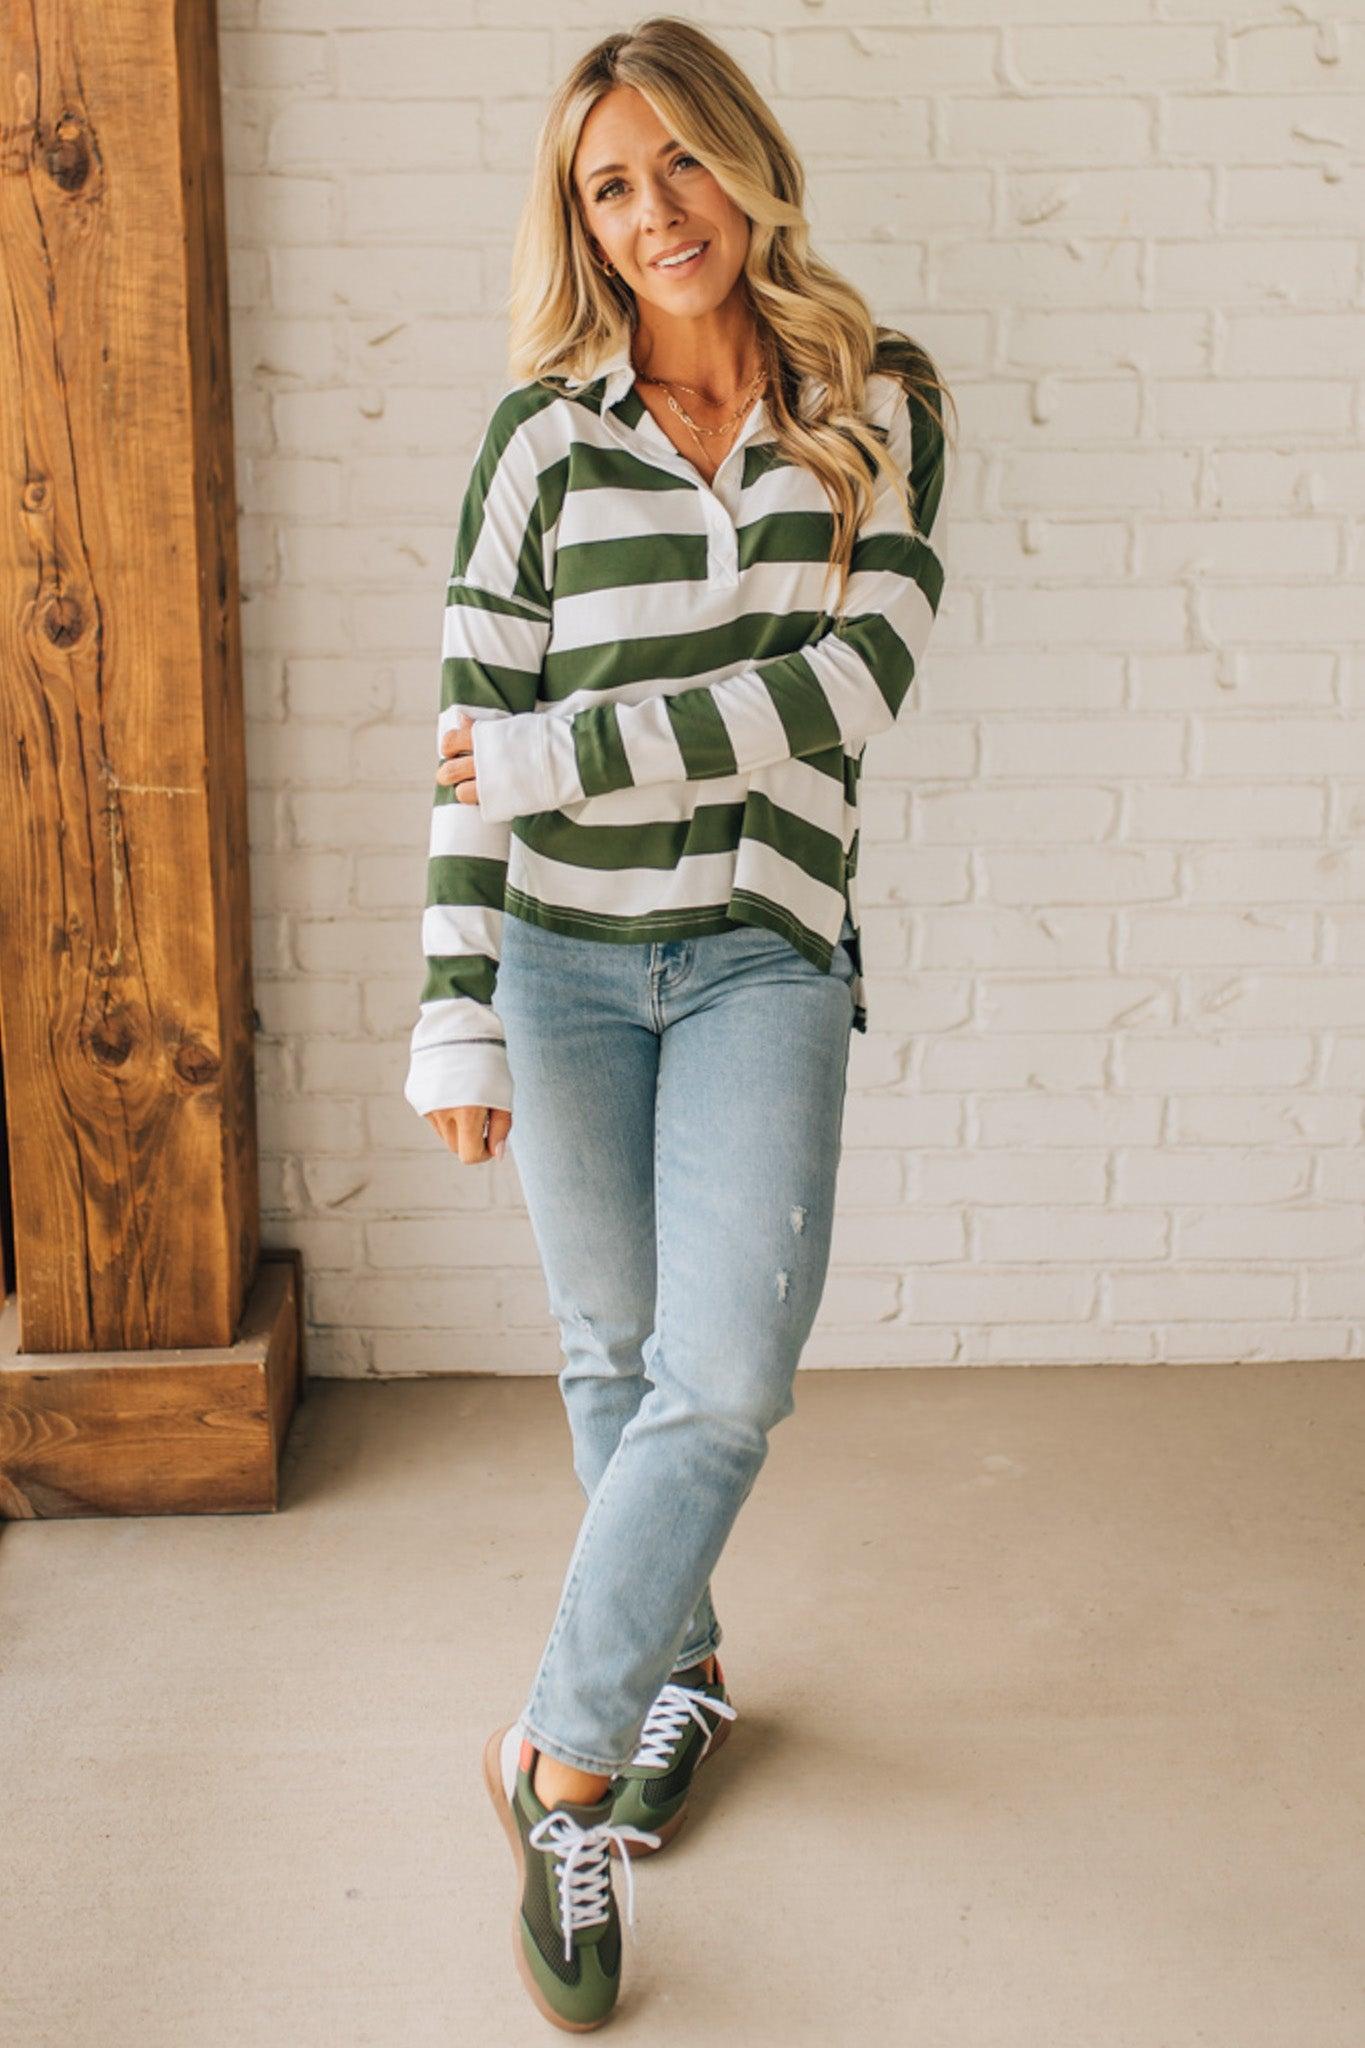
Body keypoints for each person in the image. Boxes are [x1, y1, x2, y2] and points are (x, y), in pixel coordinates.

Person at [403, 15, 956, 2031]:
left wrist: (566, 754)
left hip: (757, 947)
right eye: (609, 188)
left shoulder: (872, 403)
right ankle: (678, 1674)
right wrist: (456, 1002)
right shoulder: (536, 440)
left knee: (718, 1369)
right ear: (582, 216)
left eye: (682, 168)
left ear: (748, 162)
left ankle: (553, 1759)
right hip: (553, 962)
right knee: (614, 1357)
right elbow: (469, 752)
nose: (655, 218)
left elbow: (844, 690)